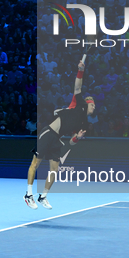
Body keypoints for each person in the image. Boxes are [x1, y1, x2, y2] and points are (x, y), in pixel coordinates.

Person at [24, 60, 95, 210]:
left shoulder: (83, 124)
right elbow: (77, 86)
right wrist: (80, 70)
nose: (94, 106)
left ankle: (43, 196)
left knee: (54, 170)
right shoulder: (79, 103)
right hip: (48, 133)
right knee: (35, 164)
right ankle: (28, 195)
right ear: (87, 103)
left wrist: (77, 138)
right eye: (92, 104)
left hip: (57, 140)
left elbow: (71, 143)